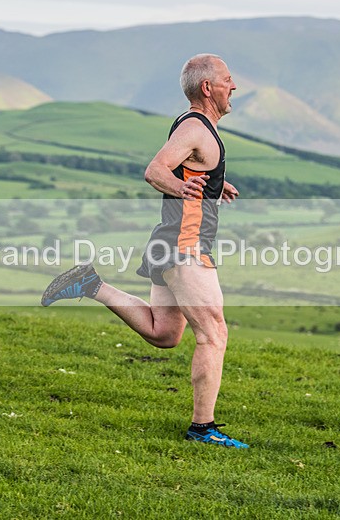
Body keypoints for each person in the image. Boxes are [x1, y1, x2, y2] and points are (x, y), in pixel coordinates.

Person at [41, 53, 246, 448]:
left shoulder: (194, 129)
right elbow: (156, 170)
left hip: (168, 240)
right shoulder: (196, 129)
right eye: (227, 80)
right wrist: (180, 188)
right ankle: (203, 429)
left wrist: (215, 185)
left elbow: (189, 169)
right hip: (186, 245)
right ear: (208, 88)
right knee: (214, 333)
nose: (232, 86)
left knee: (165, 333)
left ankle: (90, 284)